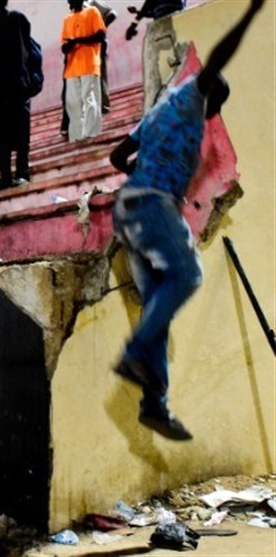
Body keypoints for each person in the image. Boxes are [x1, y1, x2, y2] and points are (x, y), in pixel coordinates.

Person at [109, 0, 264, 441]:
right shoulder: (193, 96)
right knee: (189, 274)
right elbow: (216, 62)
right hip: (153, 206)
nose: (211, 120)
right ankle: (136, 354)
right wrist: (250, 15)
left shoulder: (156, 113)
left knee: (157, 304)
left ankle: (153, 404)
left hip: (131, 210)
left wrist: (143, 175)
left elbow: (116, 155)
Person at [0, 0, 34, 189]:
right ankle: (5, 177)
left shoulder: (16, 18)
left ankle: (22, 173)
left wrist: (19, 85)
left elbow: (21, 54)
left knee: (21, 133)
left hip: (15, 88)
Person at [62, 0, 107, 143]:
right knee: (73, 103)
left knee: (90, 99)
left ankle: (91, 134)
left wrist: (77, 40)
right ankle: (76, 137)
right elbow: (63, 47)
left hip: (89, 64)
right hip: (72, 68)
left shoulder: (93, 11)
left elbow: (100, 36)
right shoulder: (67, 19)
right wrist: (70, 45)